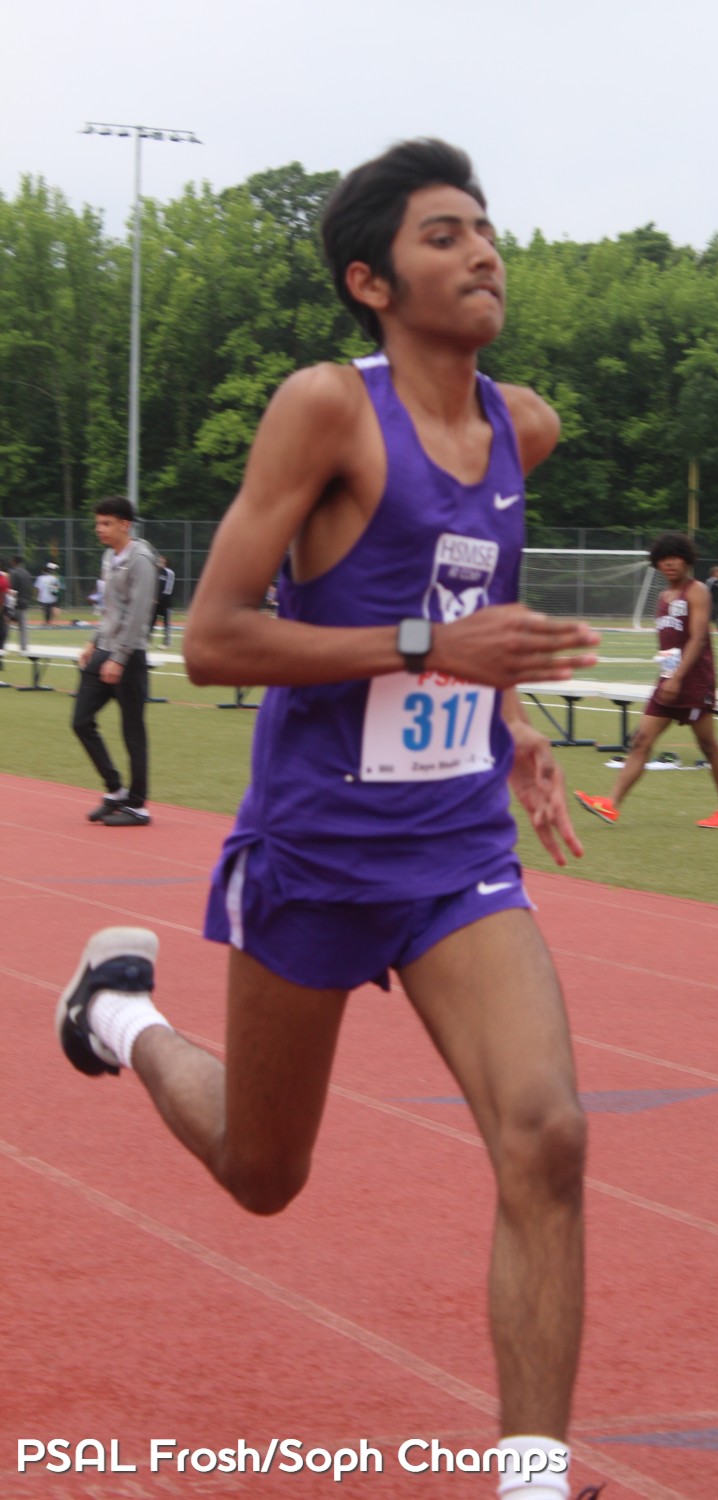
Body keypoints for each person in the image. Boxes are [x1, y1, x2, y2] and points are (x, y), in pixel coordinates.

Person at [56, 141, 604, 1500]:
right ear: (371, 281)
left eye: (485, 227)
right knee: (261, 1171)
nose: (482, 252)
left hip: (454, 854)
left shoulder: (523, 429)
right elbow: (217, 638)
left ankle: (532, 1480)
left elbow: (466, 605)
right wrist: (429, 650)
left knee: (548, 1135)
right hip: (315, 849)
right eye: (442, 235)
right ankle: (118, 1017)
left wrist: (508, 723)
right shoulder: (326, 410)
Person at [574, 532, 718, 830]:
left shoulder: (697, 591)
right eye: (663, 559)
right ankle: (611, 804)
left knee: (708, 745)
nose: (669, 564)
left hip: (694, 680)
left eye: (674, 558)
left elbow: (698, 638)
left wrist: (678, 677)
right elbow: (667, 643)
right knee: (641, 740)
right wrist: (667, 676)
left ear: (686, 560)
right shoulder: (663, 597)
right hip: (668, 679)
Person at [72, 496, 158, 826]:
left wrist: (119, 659)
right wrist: (94, 641)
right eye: (98, 523)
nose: (100, 529)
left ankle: (138, 806)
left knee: (132, 730)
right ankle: (116, 790)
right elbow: (111, 609)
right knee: (81, 721)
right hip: (105, 649)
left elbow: (137, 615)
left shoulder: (141, 561)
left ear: (126, 524)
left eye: (106, 523)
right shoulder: (109, 557)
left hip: (129, 655)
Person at [150, 554, 176, 645]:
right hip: (155, 603)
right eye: (159, 561)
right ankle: (147, 640)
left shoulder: (169, 572)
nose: (160, 562)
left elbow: (168, 589)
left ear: (166, 562)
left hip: (166, 603)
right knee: (151, 621)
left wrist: (158, 598)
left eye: (162, 561)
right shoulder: (156, 572)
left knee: (166, 623)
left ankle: (166, 643)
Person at [9, 555, 33, 650]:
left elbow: (12, 589)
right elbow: (30, 589)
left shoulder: (14, 573)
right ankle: (24, 647)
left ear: (14, 561)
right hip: (24, 603)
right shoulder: (27, 573)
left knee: (4, 625)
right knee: (23, 628)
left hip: (14, 603)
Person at [34, 561, 61, 625]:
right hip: (53, 597)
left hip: (43, 597)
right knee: (54, 608)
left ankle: (47, 621)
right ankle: (55, 621)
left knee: (45, 610)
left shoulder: (40, 578)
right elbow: (57, 587)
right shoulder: (54, 578)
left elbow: (37, 588)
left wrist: (36, 596)